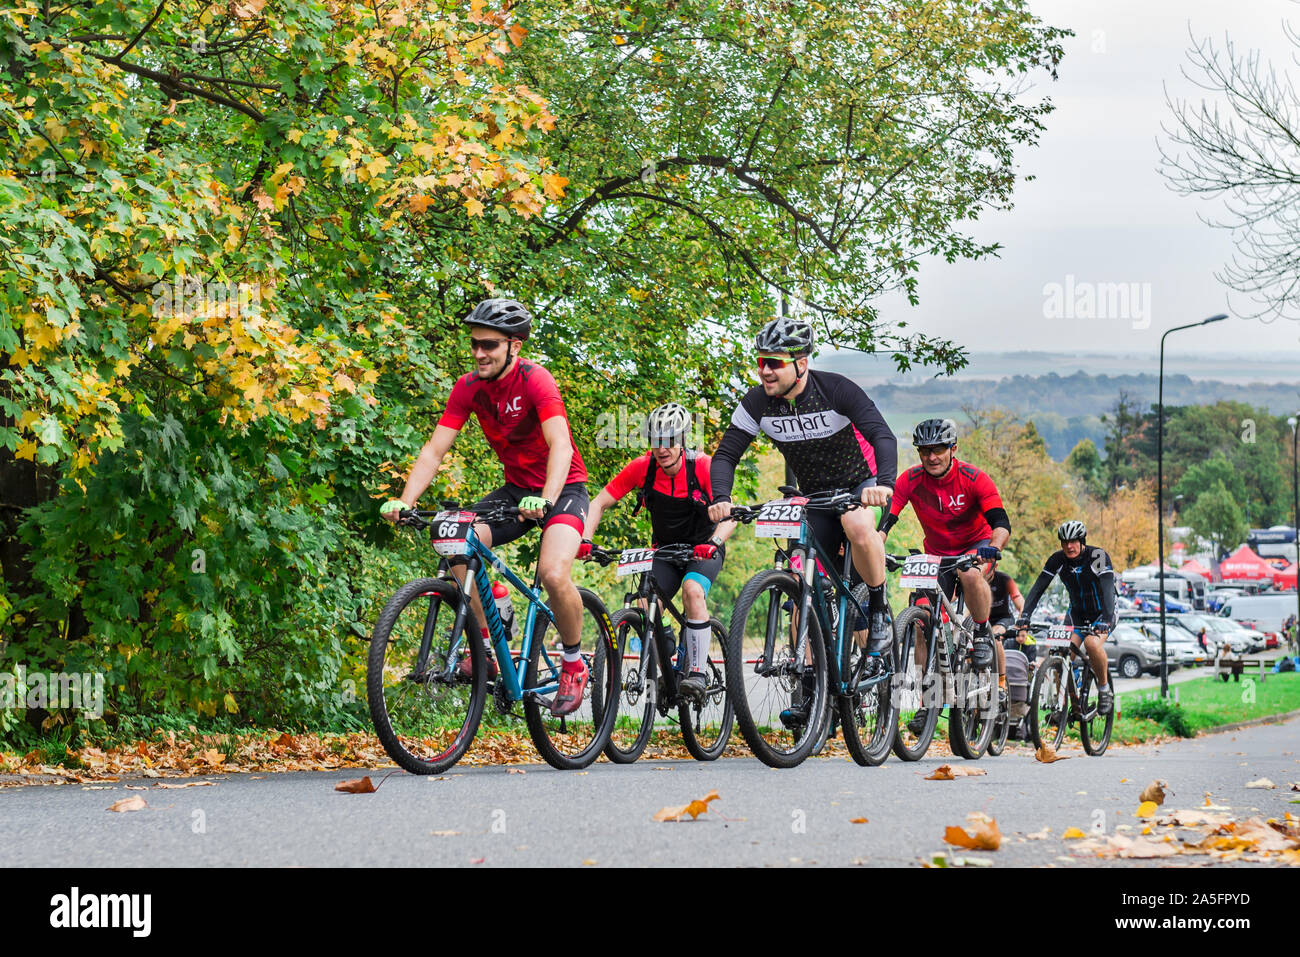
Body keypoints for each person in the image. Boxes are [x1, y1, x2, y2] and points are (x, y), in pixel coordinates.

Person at [379, 299, 592, 715]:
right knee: (452, 537)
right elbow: (434, 450)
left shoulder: (536, 381)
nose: (479, 353)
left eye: (489, 345)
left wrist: (547, 500)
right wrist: (406, 501)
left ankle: (573, 662)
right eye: (475, 344)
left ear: (514, 345)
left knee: (551, 572)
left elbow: (561, 446)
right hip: (516, 492)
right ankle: (486, 644)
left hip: (563, 489)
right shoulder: (469, 387)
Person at [708, 316, 898, 729]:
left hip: (857, 486)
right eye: (760, 362)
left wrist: (882, 485)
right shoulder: (758, 402)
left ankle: (880, 609)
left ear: (801, 363)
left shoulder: (836, 389)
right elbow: (725, 456)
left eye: (774, 363)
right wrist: (722, 499)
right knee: (801, 586)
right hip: (812, 497)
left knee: (859, 527)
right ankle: (814, 693)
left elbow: (884, 436)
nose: (764, 371)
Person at [579, 403, 737, 700]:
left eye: (669, 441)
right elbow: (598, 502)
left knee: (692, 590)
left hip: (704, 549)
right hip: (664, 552)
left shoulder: (702, 466)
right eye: (656, 441)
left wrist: (714, 542)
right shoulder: (643, 467)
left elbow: (730, 516)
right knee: (643, 605)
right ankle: (666, 670)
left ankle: (697, 674)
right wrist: (585, 538)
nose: (662, 449)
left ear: (682, 441)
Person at [878, 418, 1011, 732]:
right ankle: (929, 702)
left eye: (937, 450)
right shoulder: (909, 480)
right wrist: (875, 545)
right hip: (937, 555)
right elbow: (887, 520)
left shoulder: (974, 478)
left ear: (953, 449)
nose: (931, 457)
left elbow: (1001, 522)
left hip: (976, 548)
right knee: (924, 621)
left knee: (969, 575)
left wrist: (993, 547)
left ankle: (980, 632)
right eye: (924, 451)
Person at [1015, 520, 1117, 715]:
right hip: (1077, 614)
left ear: (1082, 540)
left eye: (1073, 541)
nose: (1069, 546)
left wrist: (1106, 619)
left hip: (1103, 613)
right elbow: (1038, 588)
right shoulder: (1057, 560)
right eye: (1065, 542)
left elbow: (1108, 589)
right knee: (1060, 653)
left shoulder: (1097, 556)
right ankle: (1067, 703)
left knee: (1092, 644)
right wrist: (1025, 616)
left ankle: (1104, 689)